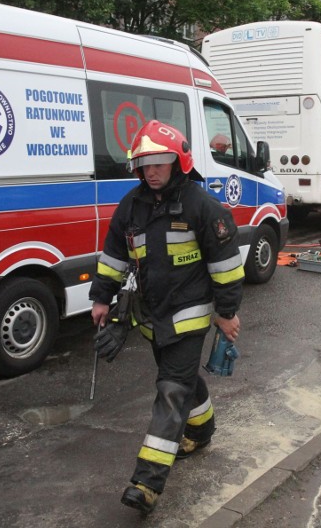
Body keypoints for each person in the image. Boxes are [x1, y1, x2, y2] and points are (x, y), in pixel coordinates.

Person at [89, 120, 244, 515]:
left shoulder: (202, 207)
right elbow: (113, 255)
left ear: (179, 162)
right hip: (153, 318)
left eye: (160, 161)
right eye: (145, 163)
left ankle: (146, 484)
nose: (152, 169)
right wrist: (101, 298)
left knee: (171, 390)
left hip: (189, 317)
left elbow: (225, 266)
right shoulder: (132, 206)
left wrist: (226, 315)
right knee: (185, 378)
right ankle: (203, 430)